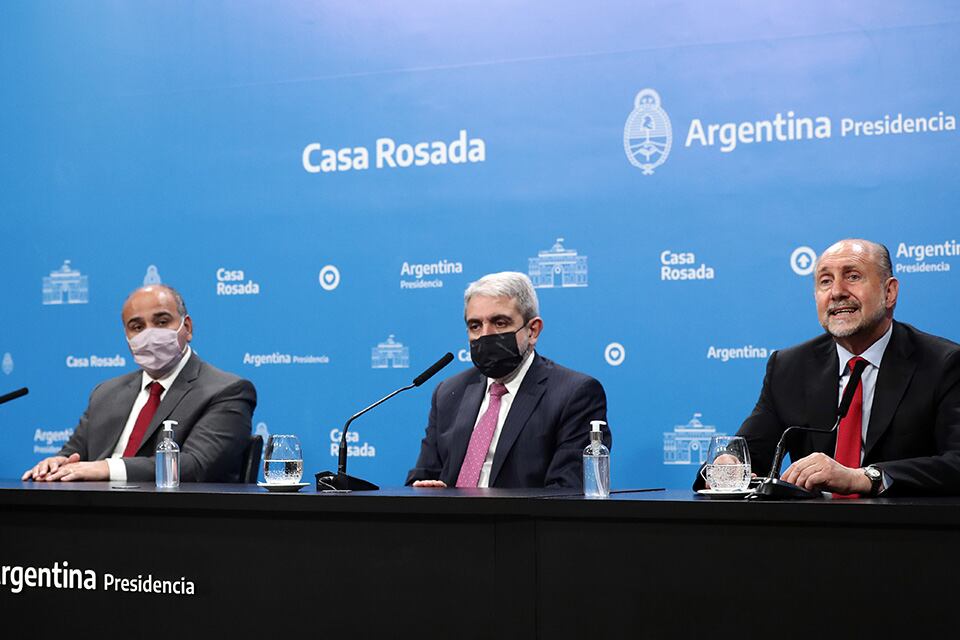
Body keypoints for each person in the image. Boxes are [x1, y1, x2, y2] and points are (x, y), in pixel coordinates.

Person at [709, 239, 960, 496]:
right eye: (825, 281)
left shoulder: (944, 363)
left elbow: (956, 461)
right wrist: (728, 465)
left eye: (852, 276)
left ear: (889, 293)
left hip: (907, 530)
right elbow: (749, 451)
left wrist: (865, 477)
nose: (837, 292)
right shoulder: (789, 367)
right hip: (812, 531)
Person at [22, 285, 257, 483]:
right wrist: (56, 463)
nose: (149, 334)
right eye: (137, 327)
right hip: (93, 516)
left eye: (162, 321)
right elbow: (73, 455)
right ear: (127, 336)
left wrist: (107, 468)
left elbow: (196, 466)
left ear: (187, 328)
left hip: (174, 523)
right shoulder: (106, 392)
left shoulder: (226, 390)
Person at [406, 271, 611, 489]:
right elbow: (420, 478)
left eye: (500, 323)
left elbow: (567, 491)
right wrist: (426, 491)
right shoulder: (448, 392)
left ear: (533, 330)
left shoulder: (574, 394)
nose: (485, 335)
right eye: (475, 326)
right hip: (449, 521)